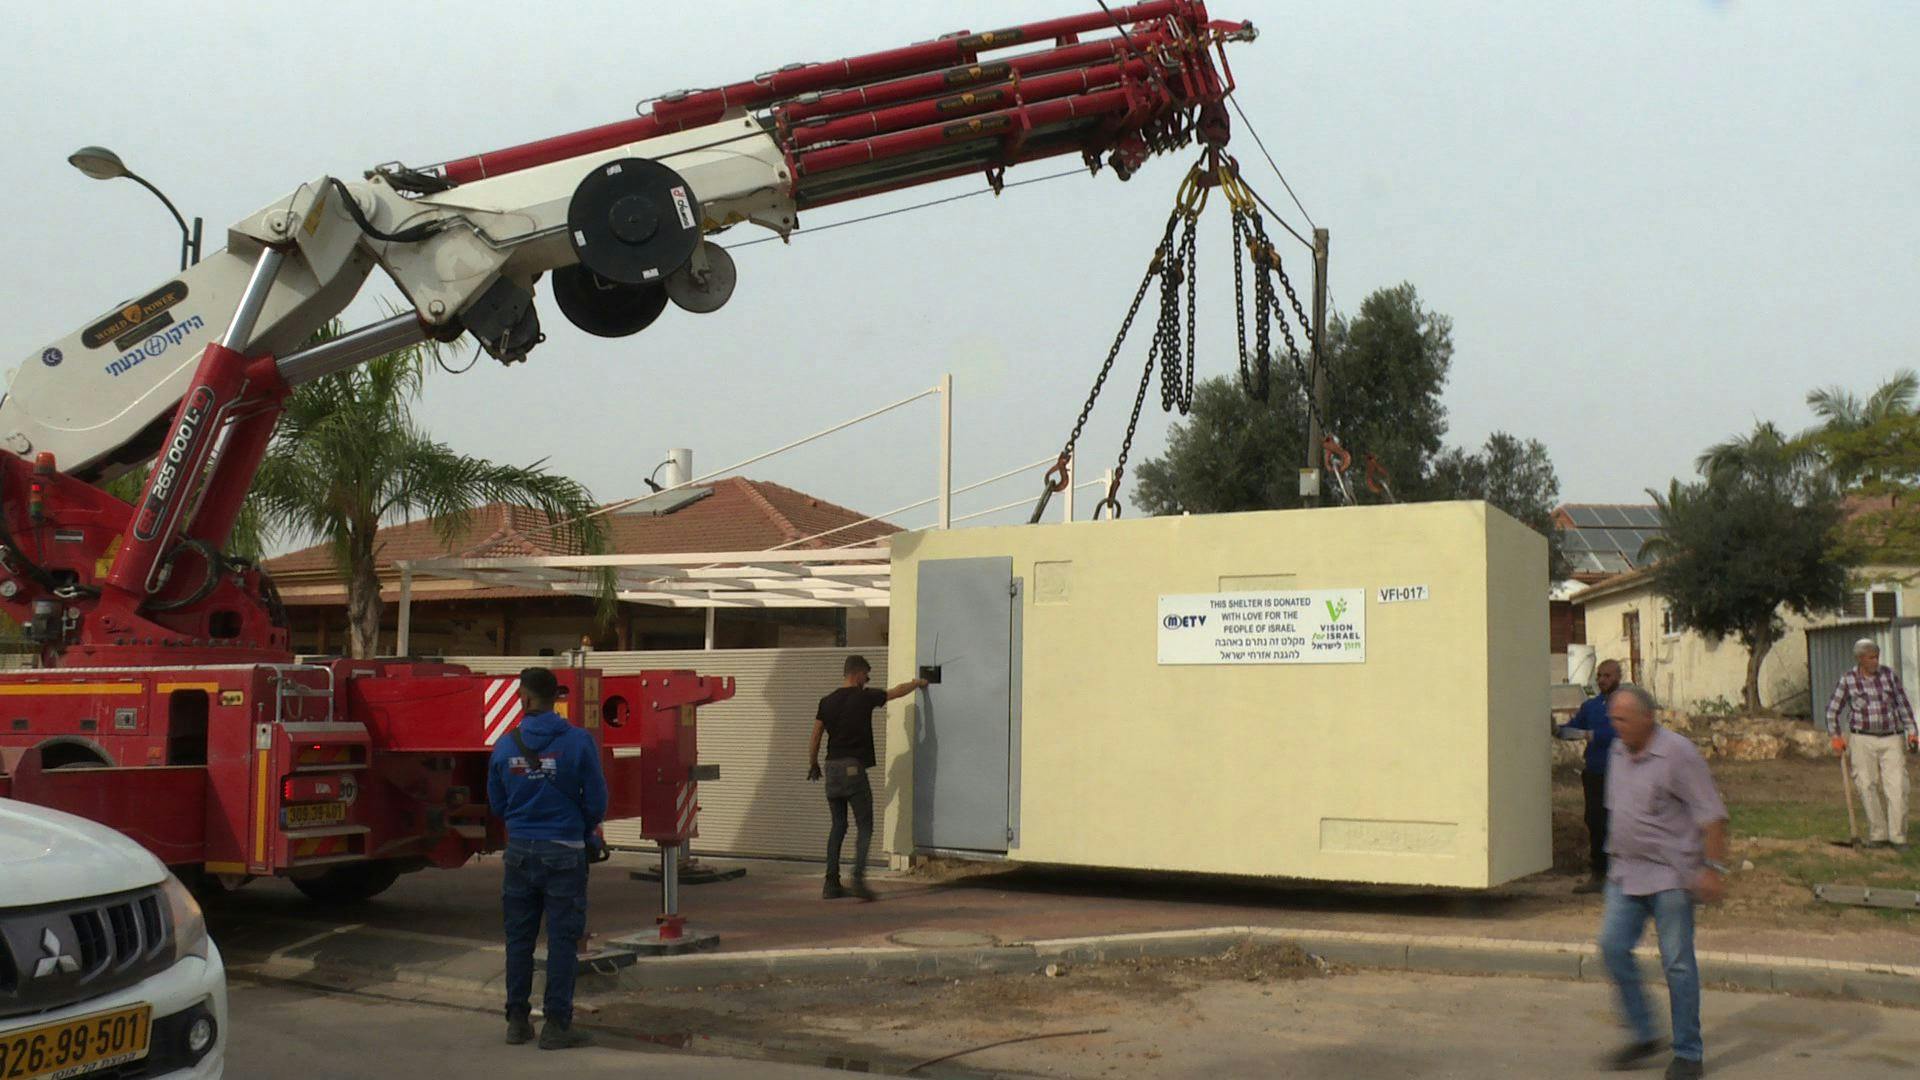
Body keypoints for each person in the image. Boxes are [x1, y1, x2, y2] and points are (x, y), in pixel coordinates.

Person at [1596, 684, 1729, 1080]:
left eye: (1623, 719)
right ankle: (1644, 1033)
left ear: (1648, 718)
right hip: (1625, 872)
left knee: (1678, 965)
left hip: (1672, 875)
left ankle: (1688, 1052)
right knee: (1612, 947)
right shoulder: (1618, 751)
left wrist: (1712, 868)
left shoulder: (1678, 754)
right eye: (1613, 719)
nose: (1616, 727)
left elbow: (1713, 815)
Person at [486, 666, 607, 1050]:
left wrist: (523, 822)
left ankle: (517, 1022)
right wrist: (581, 828)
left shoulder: (506, 746)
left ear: (524, 698)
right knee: (562, 941)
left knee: (519, 940)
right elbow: (598, 799)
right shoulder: (578, 741)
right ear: (557, 698)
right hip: (565, 852)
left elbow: (497, 802)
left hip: (520, 851)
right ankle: (556, 1026)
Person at [807, 655, 926, 901]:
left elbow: (816, 735)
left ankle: (831, 884)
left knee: (838, 826)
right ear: (857, 673)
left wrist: (813, 764)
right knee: (865, 826)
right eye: (867, 675)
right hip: (853, 769)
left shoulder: (826, 701)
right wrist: (917, 683)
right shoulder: (864, 697)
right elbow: (895, 692)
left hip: (831, 769)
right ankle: (858, 879)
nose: (867, 680)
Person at [1824, 638, 1918, 851]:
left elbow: (1903, 705)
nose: (1876, 661)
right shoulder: (1848, 680)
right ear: (1860, 659)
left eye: (1877, 656)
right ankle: (1878, 834)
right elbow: (1832, 710)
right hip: (1861, 738)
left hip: (1891, 737)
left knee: (1898, 788)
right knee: (1866, 785)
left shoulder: (1889, 676)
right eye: (1871, 657)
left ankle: (1898, 837)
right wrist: (1835, 736)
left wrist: (1912, 732)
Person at [1555, 658, 1623, 892]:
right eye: (1600, 676)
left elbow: (1617, 733)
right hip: (1595, 774)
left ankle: (1622, 874)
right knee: (1595, 822)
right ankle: (1598, 874)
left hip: (1622, 775)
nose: (1603, 680)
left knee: (1620, 823)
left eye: (1608, 676)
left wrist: (1588, 734)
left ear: (1618, 677)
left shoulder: (1626, 705)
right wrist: (1556, 729)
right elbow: (1571, 730)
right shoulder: (1591, 706)